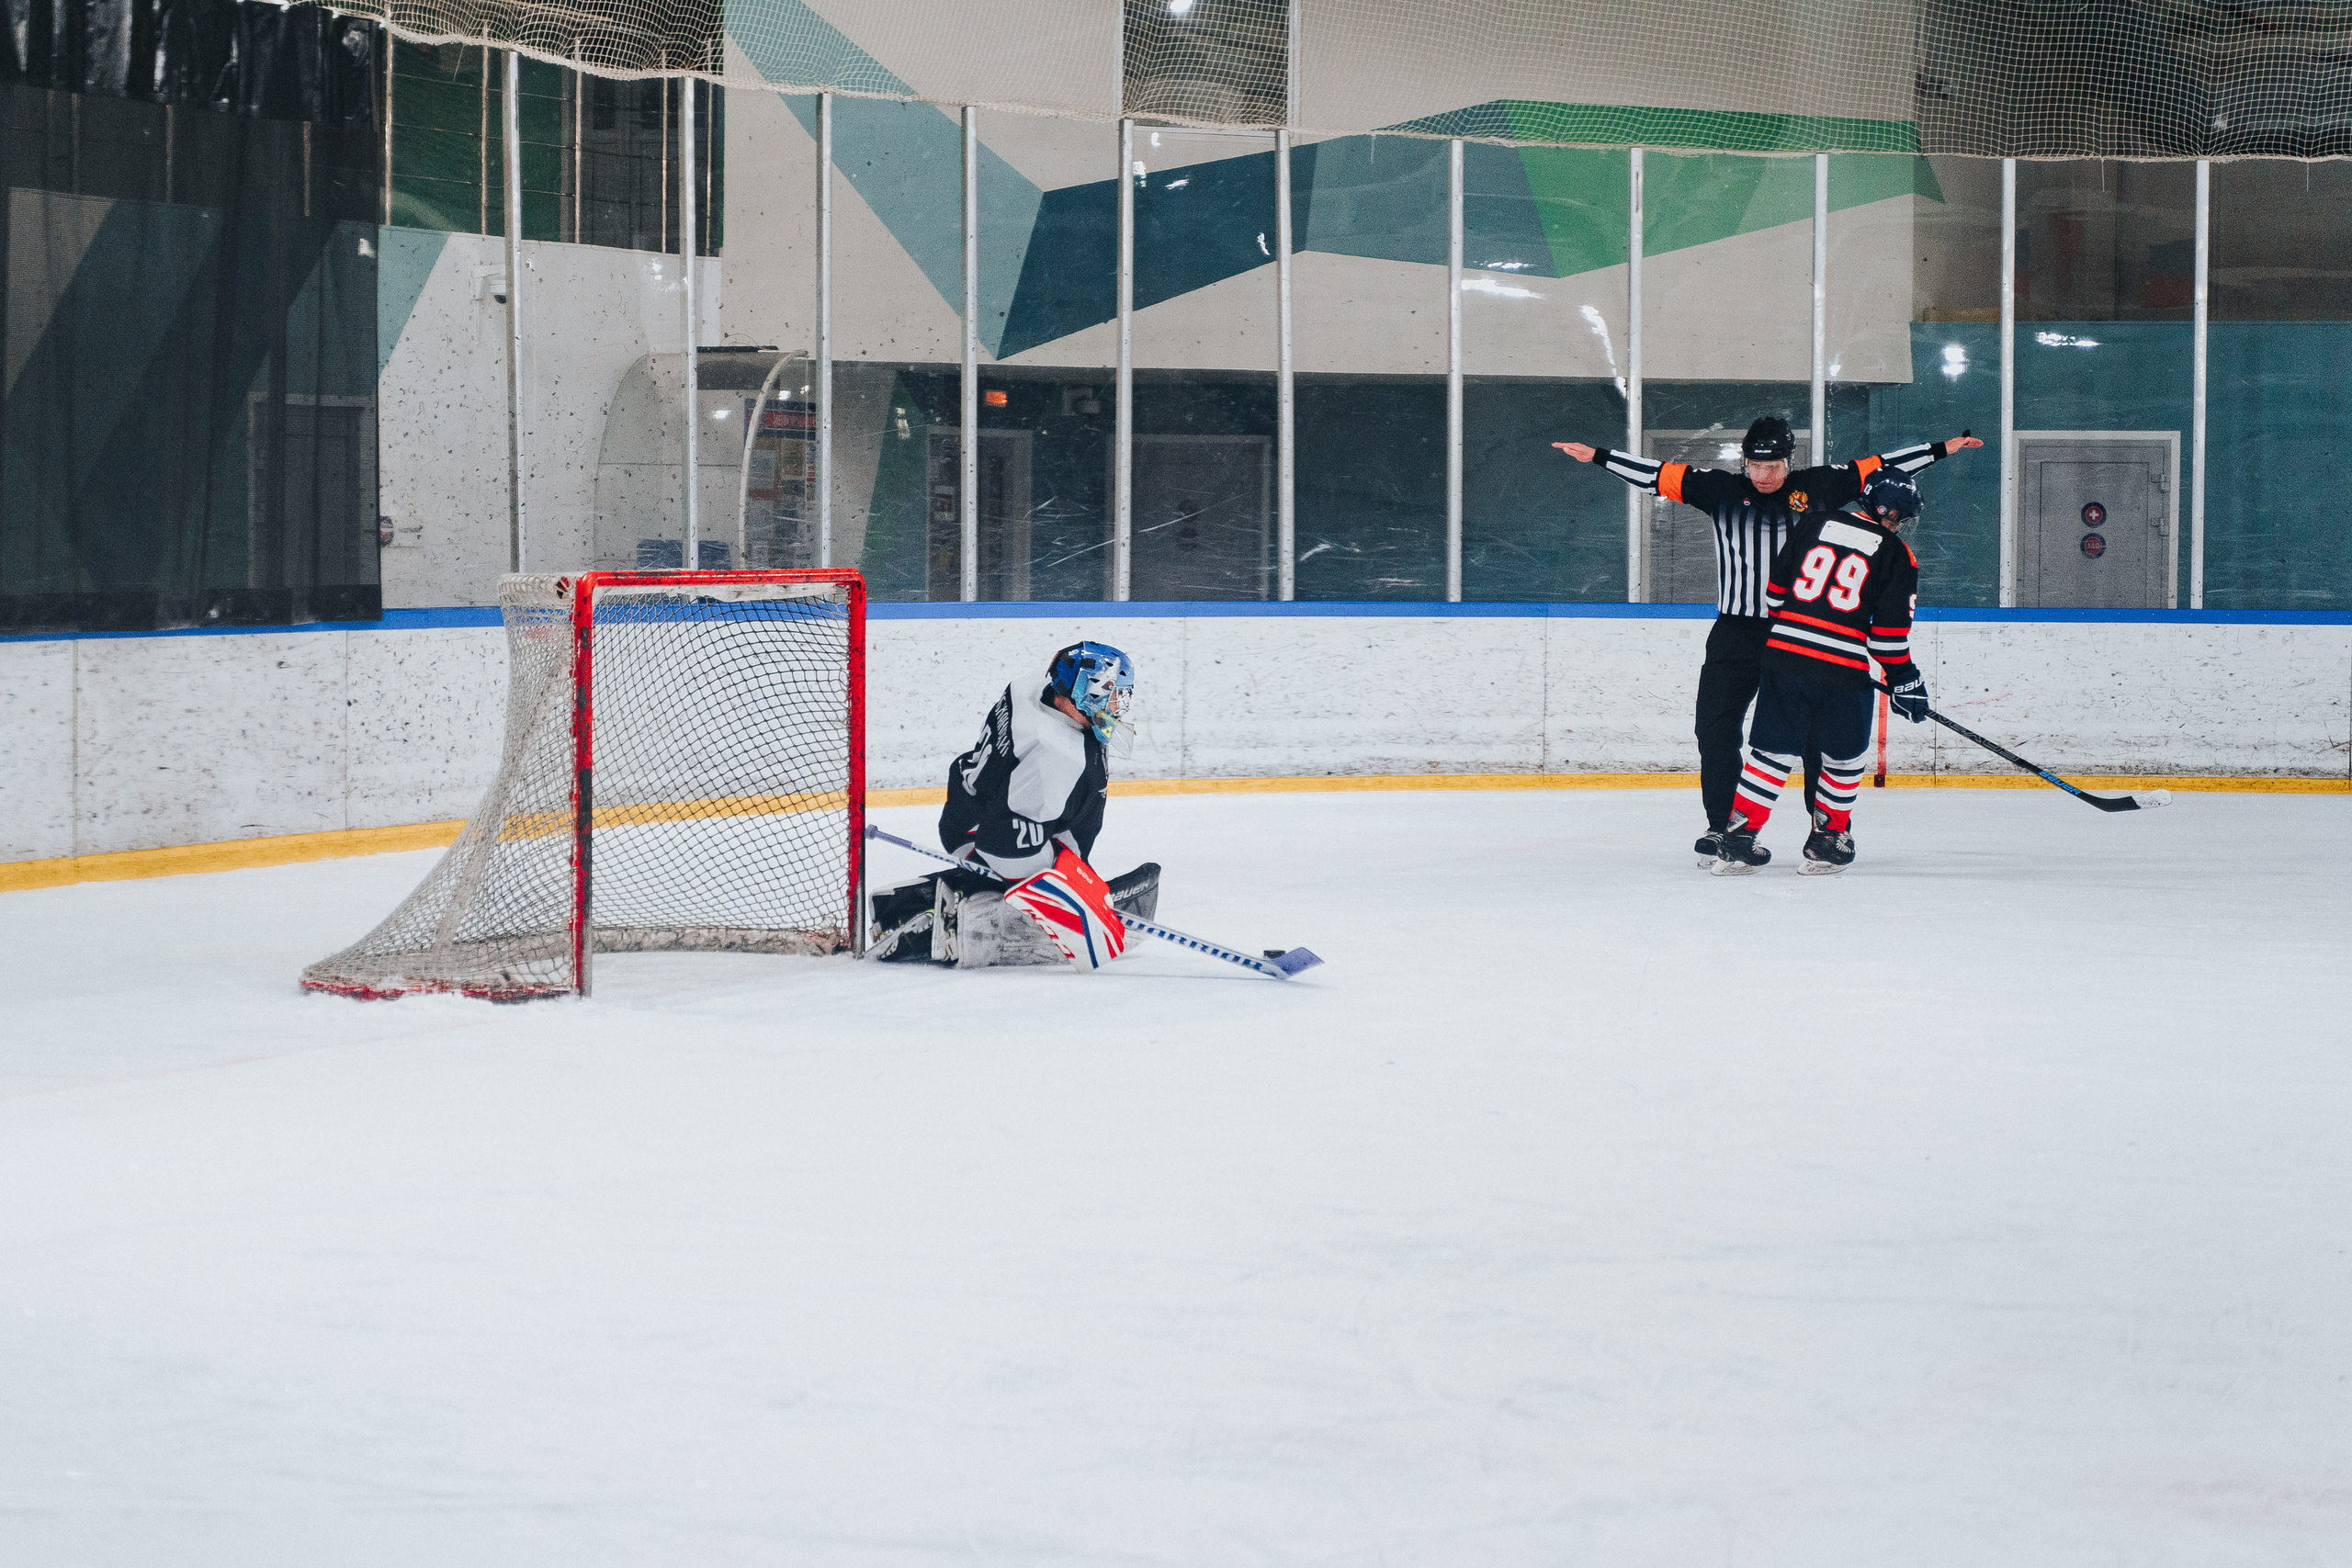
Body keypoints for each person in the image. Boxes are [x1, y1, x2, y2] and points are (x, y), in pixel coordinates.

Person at [1553, 417, 1979, 864]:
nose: (1763, 475)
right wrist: (1600, 456)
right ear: (1745, 462)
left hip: (1803, 633)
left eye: (1773, 465)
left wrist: (1941, 449)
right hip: (1737, 632)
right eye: (1755, 465)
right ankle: (1723, 827)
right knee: (1715, 731)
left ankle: (1826, 830)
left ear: (1788, 461)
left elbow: (1882, 470)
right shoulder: (1717, 489)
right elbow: (1657, 474)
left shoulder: (1819, 486)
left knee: (1815, 735)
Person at [869, 641, 1152, 972]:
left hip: (974, 803)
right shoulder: (1057, 758)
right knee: (1037, 847)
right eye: (1112, 693)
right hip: (981, 834)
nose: (1118, 704)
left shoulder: (1032, 687)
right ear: (1085, 692)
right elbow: (1002, 843)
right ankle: (973, 912)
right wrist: (1067, 898)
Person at [1713, 469, 1930, 875]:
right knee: (1844, 759)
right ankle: (1827, 841)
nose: (1901, 523)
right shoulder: (1898, 556)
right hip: (1842, 673)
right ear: (1890, 513)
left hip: (1782, 658)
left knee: (1771, 753)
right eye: (1901, 515)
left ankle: (1739, 837)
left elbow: (1774, 597)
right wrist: (1907, 682)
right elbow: (1886, 640)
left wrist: (1804, 634)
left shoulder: (1815, 522)